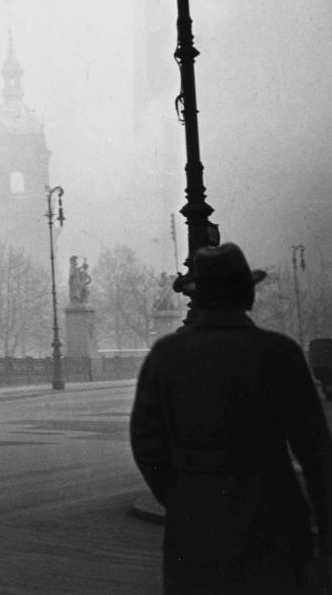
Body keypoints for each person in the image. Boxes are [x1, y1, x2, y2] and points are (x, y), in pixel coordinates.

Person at [131, 242, 332, 595]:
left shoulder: (166, 355)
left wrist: (180, 496)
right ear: (247, 296)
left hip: (195, 522)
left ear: (200, 298)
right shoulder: (278, 352)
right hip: (273, 513)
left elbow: (147, 444)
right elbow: (315, 451)